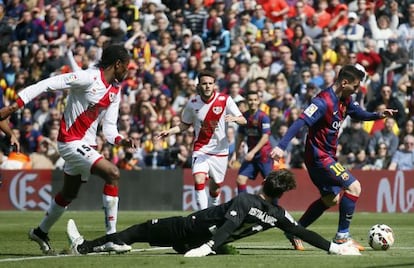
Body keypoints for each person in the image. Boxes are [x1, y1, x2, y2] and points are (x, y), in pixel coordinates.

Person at [0, 44, 134, 255]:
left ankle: (40, 231)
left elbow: (109, 128)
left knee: (69, 193)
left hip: (85, 145)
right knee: (112, 173)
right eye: (126, 66)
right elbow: (48, 84)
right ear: (117, 64)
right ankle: (111, 237)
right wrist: (14, 106)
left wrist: (120, 140)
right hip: (70, 142)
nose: (127, 71)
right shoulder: (88, 77)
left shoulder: (115, 91)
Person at [66, 169, 361, 256]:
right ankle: (118, 244)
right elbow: (301, 231)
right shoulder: (279, 214)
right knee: (150, 237)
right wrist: (332, 248)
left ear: (264, 182)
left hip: (190, 231)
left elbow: (228, 227)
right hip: (194, 241)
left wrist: (208, 248)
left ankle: (86, 246)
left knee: (142, 229)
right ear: (281, 193)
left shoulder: (246, 200)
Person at [270, 65, 398, 251]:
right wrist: (281, 146)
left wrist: (378, 115)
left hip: (327, 156)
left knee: (331, 199)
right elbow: (301, 121)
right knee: (354, 186)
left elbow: (359, 113)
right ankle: (341, 237)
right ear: (344, 82)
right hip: (318, 156)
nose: (356, 90)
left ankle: (295, 231)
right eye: (355, 86)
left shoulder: (345, 99)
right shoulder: (323, 102)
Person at [157, 70, 246, 210]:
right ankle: (203, 216)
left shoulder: (225, 100)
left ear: (214, 85)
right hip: (201, 149)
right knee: (199, 180)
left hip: (220, 151)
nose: (207, 86)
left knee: (215, 188)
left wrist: (235, 118)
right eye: (204, 83)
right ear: (199, 85)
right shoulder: (192, 104)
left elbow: (243, 119)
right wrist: (170, 131)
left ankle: (213, 210)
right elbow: (184, 125)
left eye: (210, 83)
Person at [230, 91, 273, 196]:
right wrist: (235, 154)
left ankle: (275, 209)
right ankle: (243, 205)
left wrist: (253, 152)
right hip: (251, 156)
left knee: (271, 184)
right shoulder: (244, 117)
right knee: (240, 179)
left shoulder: (263, 117)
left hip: (264, 156)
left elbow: (265, 137)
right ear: (246, 101)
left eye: (255, 100)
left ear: (258, 101)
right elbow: (240, 136)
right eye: (250, 100)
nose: (252, 102)